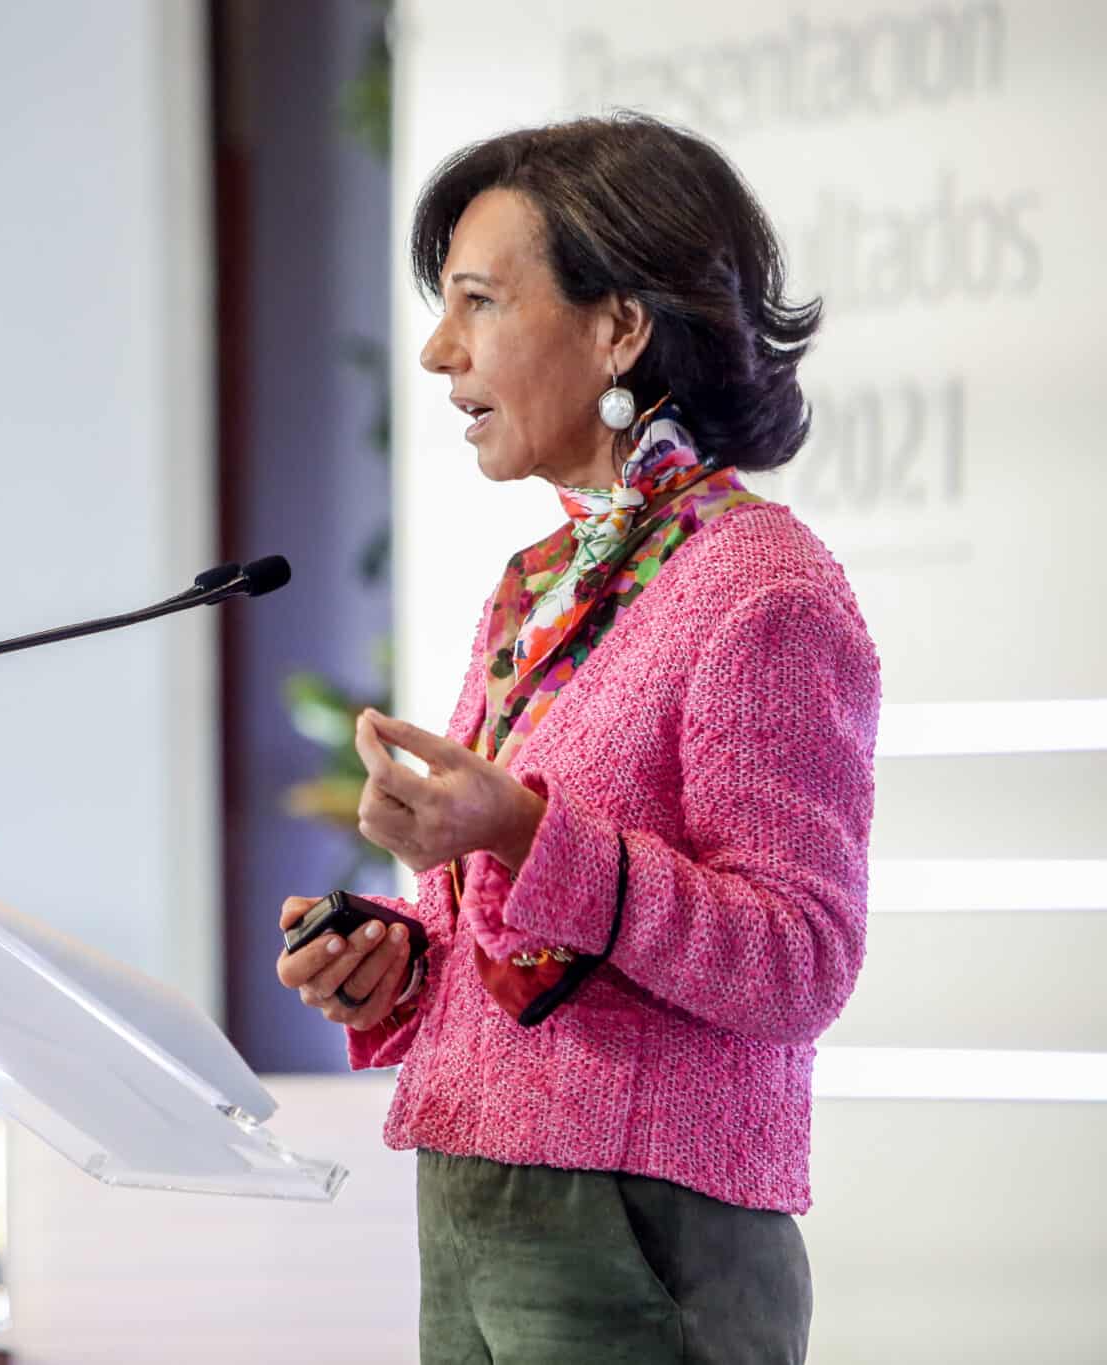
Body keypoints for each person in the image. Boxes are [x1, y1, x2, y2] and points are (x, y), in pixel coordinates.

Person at [275, 113, 880, 1364]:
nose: (440, 353)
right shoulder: (536, 583)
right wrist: (396, 959)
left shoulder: (760, 588)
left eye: (478, 302)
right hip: (475, 1198)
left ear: (617, 328)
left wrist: (528, 833)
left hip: (647, 1229)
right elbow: (502, 927)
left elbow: (797, 962)